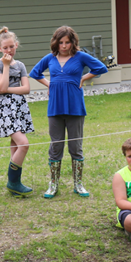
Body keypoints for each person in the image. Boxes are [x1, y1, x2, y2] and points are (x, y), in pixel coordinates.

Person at [29, 26, 107, 199]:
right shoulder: (50, 58)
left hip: (75, 107)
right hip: (55, 107)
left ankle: (78, 184)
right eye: (61, 42)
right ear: (56, 43)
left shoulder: (80, 57)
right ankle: (53, 184)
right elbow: (35, 73)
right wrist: (49, 84)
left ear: (73, 43)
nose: (64, 46)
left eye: (67, 42)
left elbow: (101, 68)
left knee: (75, 147)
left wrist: (83, 78)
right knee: (56, 145)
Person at [0, 27, 34, 197]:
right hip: (5, 108)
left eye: (11, 47)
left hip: (20, 107)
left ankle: (15, 184)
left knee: (16, 144)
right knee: (23, 143)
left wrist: (3, 90)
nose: (9, 50)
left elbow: (26, 89)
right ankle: (13, 182)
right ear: (0, 48)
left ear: (16, 45)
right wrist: (6, 67)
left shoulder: (21, 65)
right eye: (5, 48)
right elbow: (0, 86)